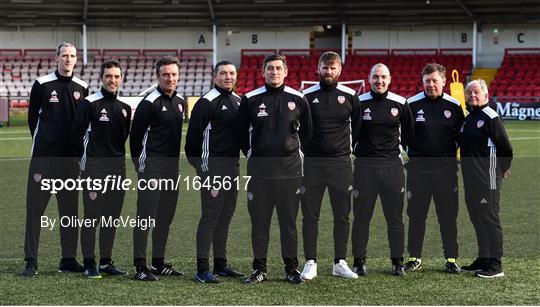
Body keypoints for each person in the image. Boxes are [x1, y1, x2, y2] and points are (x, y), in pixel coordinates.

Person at [237, 54, 312, 284]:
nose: (274, 72)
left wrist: (296, 155)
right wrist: (251, 155)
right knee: (260, 223)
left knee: (288, 223)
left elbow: (308, 134)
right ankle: (259, 269)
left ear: (286, 72)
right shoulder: (250, 99)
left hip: (289, 173)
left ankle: (291, 269)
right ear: (263, 72)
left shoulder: (298, 99)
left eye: (279, 68)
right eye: (270, 68)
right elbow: (240, 133)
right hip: (259, 174)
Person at [22, 42, 89, 277]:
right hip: (44, 159)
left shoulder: (83, 87)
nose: (68, 59)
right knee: (35, 210)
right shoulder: (41, 84)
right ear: (56, 58)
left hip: (70, 161)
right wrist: (45, 145)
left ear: (76, 59)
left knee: (69, 210)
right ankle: (31, 261)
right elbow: (33, 121)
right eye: (64, 55)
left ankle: (68, 259)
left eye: (72, 56)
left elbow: (83, 125)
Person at [299, 52, 361, 280]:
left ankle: (340, 262)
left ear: (340, 70)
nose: (328, 72)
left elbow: (358, 129)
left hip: (341, 165)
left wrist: (345, 150)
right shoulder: (305, 96)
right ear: (318, 68)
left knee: (342, 216)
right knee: (310, 216)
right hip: (312, 164)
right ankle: (310, 262)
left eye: (333, 68)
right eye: (325, 68)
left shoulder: (351, 95)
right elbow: (299, 129)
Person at [351, 63, 414, 276]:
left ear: (390, 78)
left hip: (392, 168)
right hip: (364, 167)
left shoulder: (400, 103)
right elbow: (351, 133)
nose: (380, 81)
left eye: (384, 77)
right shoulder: (359, 102)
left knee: (395, 218)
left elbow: (409, 136)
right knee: (361, 218)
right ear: (369, 79)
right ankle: (359, 262)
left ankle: (397, 262)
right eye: (376, 77)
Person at [185, 60, 245, 283]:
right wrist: (203, 171)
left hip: (233, 168)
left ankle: (221, 264)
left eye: (231, 73)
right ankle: (202, 270)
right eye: (223, 73)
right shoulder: (205, 103)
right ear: (214, 76)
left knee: (225, 217)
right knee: (210, 218)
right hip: (213, 170)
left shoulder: (239, 101)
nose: (228, 77)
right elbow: (191, 144)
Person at [70, 60, 131, 278]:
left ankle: (106, 261)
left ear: (121, 78)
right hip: (94, 170)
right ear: (101, 78)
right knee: (92, 217)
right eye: (108, 76)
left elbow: (123, 137)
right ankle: (89, 262)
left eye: (116, 76)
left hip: (118, 170)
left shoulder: (124, 108)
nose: (112, 80)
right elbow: (76, 136)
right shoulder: (89, 103)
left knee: (111, 218)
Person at [404, 63, 465, 274]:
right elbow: (402, 137)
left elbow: (462, 139)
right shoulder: (410, 105)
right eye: (427, 81)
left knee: (447, 216)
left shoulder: (454, 106)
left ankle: (451, 258)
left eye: (434, 81)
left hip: (445, 173)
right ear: (422, 82)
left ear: (443, 82)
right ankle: (414, 258)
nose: (431, 85)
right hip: (417, 172)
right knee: (416, 216)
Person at [130, 56, 186, 281]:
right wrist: (141, 166)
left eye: (173, 74)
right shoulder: (148, 103)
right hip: (152, 168)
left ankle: (158, 263)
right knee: (145, 217)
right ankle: (140, 266)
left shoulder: (181, 100)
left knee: (165, 217)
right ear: (158, 76)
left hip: (172, 170)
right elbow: (135, 138)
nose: (170, 78)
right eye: (165, 74)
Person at [458, 79, 513, 278]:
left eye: (476, 92)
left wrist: (503, 169)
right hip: (471, 180)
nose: (472, 96)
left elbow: (506, 147)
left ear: (485, 96)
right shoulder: (468, 118)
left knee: (489, 219)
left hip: (487, 179)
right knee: (477, 219)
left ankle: (495, 264)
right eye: (469, 93)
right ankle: (483, 259)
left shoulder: (491, 116)